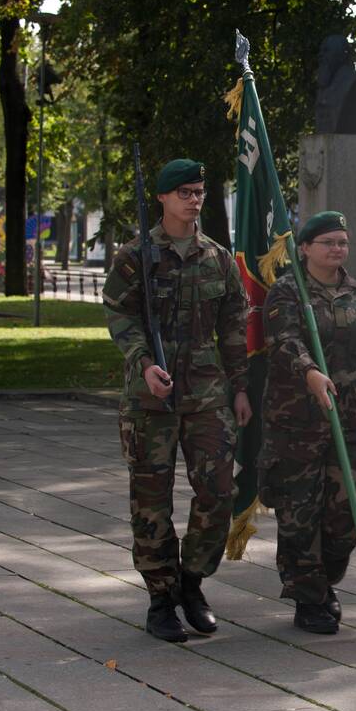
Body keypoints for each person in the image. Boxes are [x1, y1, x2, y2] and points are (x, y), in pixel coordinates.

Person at [103, 158, 252, 642]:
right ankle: (160, 598)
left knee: (218, 492)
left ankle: (192, 581)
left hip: (208, 394)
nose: (194, 199)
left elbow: (233, 327)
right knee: (151, 502)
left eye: (199, 191)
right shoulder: (134, 257)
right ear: (163, 198)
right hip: (151, 398)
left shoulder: (217, 258)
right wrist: (144, 363)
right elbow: (120, 319)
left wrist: (242, 387)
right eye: (184, 192)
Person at [257, 211, 356, 635]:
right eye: (327, 242)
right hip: (297, 426)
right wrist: (309, 372)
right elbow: (283, 341)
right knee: (300, 515)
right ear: (304, 249)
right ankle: (308, 596)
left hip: (351, 423)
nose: (337, 249)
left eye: (342, 241)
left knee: (350, 514)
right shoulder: (287, 292)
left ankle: (325, 579)